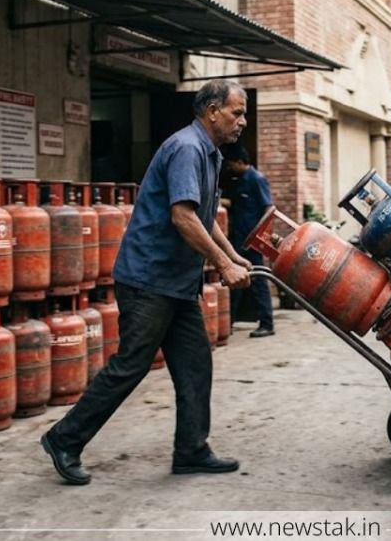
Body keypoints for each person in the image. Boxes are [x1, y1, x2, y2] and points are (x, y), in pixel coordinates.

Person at [40, 79, 252, 484]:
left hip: (176, 282)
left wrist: (232, 255)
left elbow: (203, 215)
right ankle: (64, 439)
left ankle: (191, 449)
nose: (242, 121)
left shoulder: (210, 154)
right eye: (236, 112)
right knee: (131, 365)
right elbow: (182, 217)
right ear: (211, 111)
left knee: (194, 364)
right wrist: (223, 266)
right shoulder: (188, 148)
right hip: (150, 280)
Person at [221, 143, 277, 338]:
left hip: (251, 242)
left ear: (239, 162)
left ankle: (267, 323)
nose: (228, 168)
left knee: (259, 281)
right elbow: (238, 205)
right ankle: (228, 322)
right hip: (238, 240)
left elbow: (269, 209)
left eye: (231, 164)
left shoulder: (256, 179)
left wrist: (257, 234)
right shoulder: (239, 180)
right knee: (235, 281)